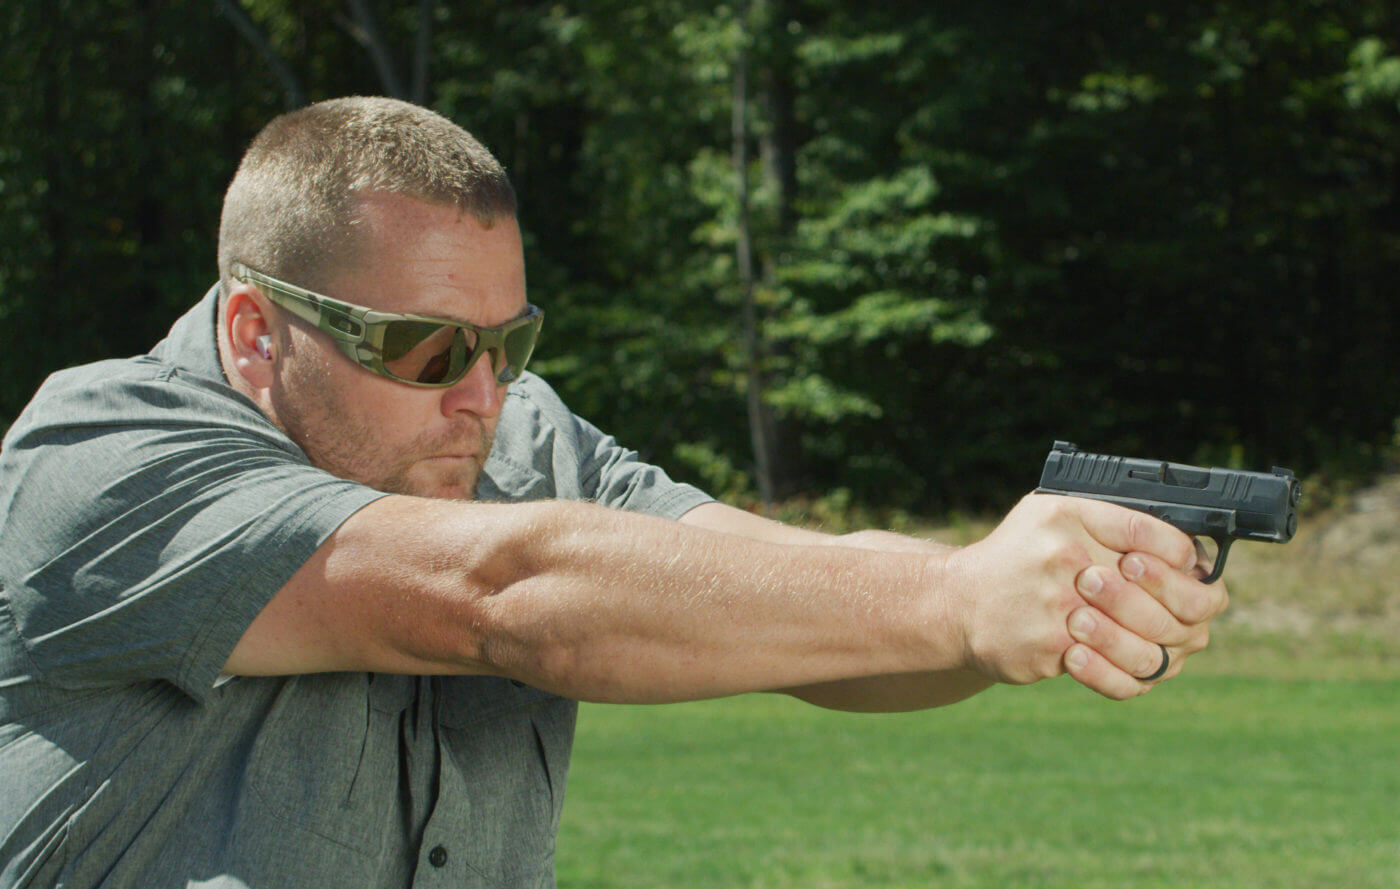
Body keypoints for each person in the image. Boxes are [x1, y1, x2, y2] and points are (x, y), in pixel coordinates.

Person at [0, 96, 1224, 889]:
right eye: (423, 349)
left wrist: (1045, 590)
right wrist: (956, 600)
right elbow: (500, 593)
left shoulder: (510, 437)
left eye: (508, 342)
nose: (479, 394)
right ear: (260, 331)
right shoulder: (104, 461)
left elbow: (800, 598)